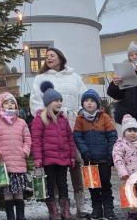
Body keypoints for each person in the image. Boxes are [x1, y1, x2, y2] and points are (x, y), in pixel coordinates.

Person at [29, 48, 89, 218]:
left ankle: (80, 204)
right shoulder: (40, 78)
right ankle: (57, 207)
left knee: (75, 163)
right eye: (46, 56)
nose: (48, 58)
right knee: (54, 168)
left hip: (72, 124)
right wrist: (45, 117)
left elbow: (84, 97)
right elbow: (35, 100)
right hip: (50, 126)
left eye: (52, 55)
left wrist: (80, 114)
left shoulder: (74, 77)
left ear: (61, 58)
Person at [32, 82, 77, 220]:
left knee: (63, 184)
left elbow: (70, 139)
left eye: (60, 101)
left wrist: (72, 156)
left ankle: (65, 210)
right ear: (49, 102)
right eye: (56, 100)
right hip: (49, 159)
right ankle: (53, 211)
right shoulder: (40, 119)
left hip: (63, 158)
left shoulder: (63, 119)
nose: (59, 103)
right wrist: (38, 158)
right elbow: (36, 140)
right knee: (50, 185)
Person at [73, 89, 118, 220]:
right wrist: (84, 152)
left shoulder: (105, 117)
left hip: (104, 158)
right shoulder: (80, 119)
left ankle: (109, 209)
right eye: (86, 101)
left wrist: (111, 153)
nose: (89, 103)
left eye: (92, 101)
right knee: (93, 186)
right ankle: (96, 209)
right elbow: (78, 137)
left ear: (97, 104)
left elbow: (112, 136)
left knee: (105, 184)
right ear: (83, 104)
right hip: (89, 159)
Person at [0, 92, 31, 220]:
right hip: (4, 163)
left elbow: (27, 139)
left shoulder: (22, 122)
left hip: (19, 162)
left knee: (19, 192)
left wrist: (25, 151)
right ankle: (10, 217)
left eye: (12, 102)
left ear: (16, 105)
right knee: (7, 193)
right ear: (1, 106)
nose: (10, 105)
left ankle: (20, 216)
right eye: (6, 103)